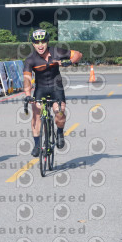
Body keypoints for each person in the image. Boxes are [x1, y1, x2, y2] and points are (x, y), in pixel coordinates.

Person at [23, 28, 83, 157]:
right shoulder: (30, 59)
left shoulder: (57, 52)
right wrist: (28, 95)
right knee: (36, 115)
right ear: (33, 44)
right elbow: (27, 79)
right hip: (40, 89)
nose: (40, 45)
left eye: (43, 42)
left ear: (47, 42)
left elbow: (78, 54)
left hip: (56, 88)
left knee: (59, 112)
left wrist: (69, 61)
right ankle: (37, 144)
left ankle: (60, 132)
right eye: (37, 43)